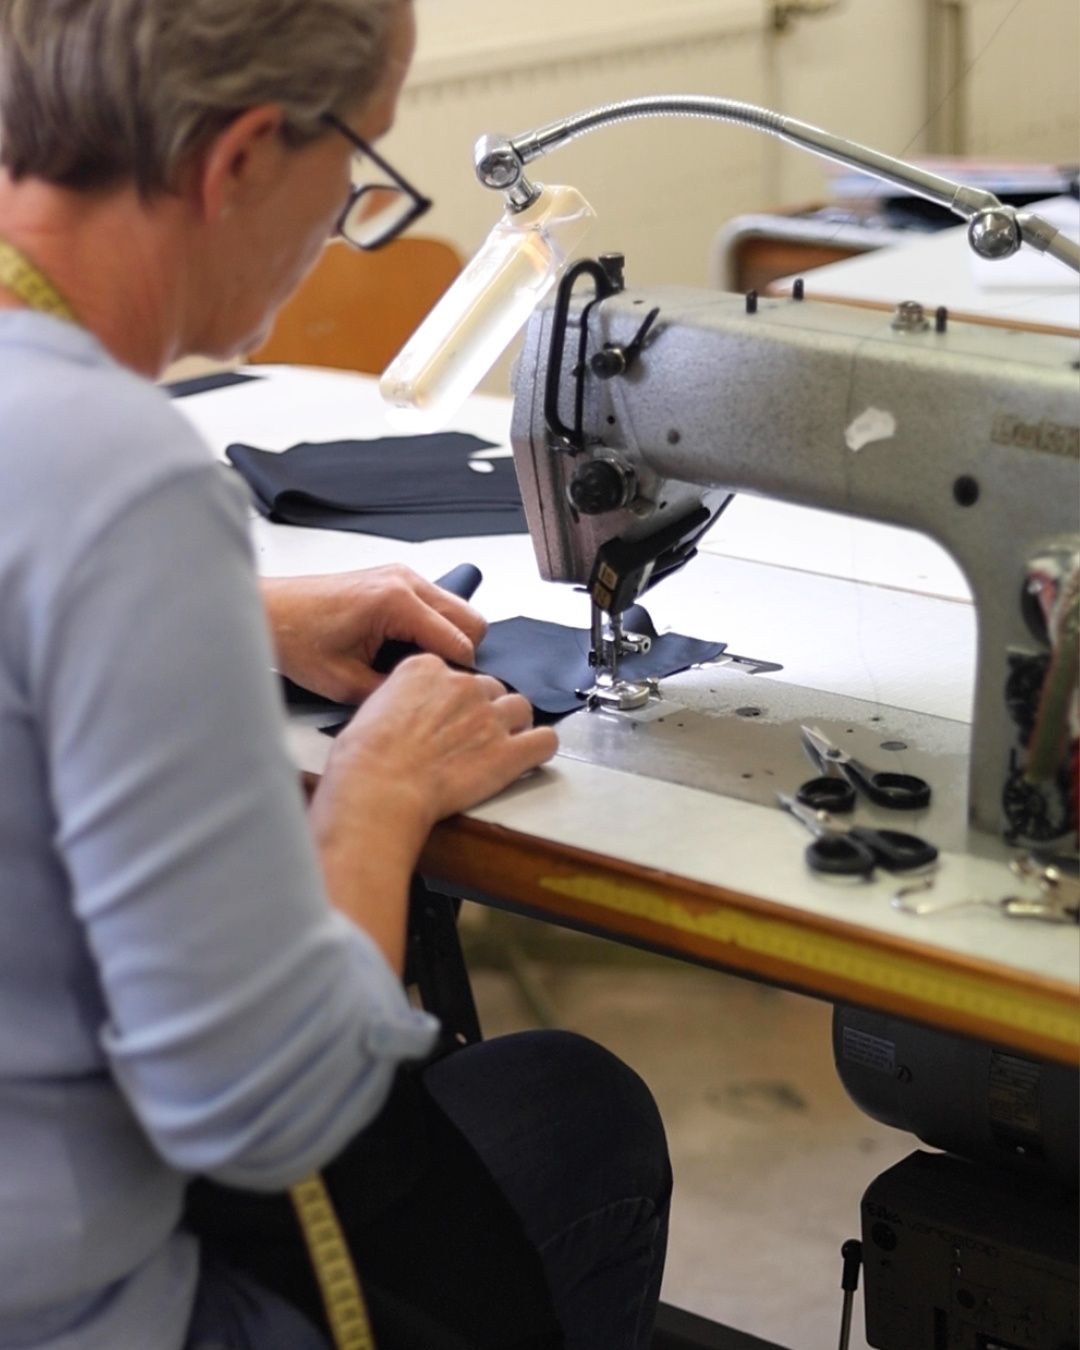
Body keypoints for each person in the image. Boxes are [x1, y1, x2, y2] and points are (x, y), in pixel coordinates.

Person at [0, 2, 672, 1348]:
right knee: (576, 1114)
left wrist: (230, 612)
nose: (346, 213)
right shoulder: (120, 479)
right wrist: (373, 793)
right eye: (358, 161)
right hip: (82, 1307)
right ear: (244, 155)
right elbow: (265, 1109)